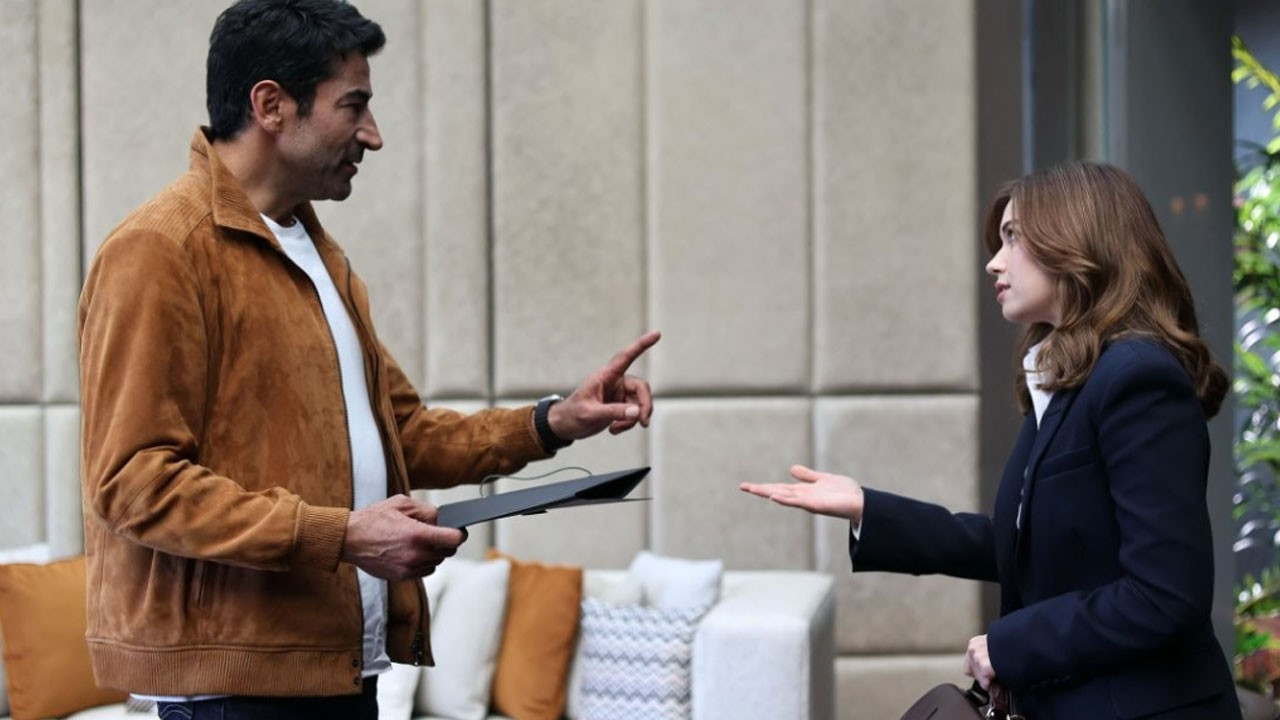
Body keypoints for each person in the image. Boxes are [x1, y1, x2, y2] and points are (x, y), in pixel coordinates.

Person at [77, 1, 659, 717]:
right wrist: (346, 535)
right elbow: (133, 483)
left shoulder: (318, 256)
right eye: (353, 105)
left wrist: (555, 422)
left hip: (344, 672)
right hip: (235, 694)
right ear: (271, 105)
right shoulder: (159, 250)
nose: (373, 135)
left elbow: (402, 435)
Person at [741, 162, 1242, 719]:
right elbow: (1027, 544)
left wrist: (1010, 645)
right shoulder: (1070, 380)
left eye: (1013, 238)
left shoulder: (1136, 378)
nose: (994, 262)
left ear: (1077, 242)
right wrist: (867, 508)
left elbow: (1166, 594)